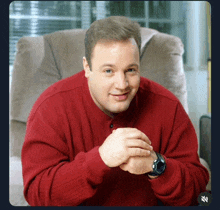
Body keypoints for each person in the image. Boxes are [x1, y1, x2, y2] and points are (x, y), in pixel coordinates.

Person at [21, 16, 209, 206]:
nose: (122, 85)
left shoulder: (168, 106)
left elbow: (198, 193)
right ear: (87, 67)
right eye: (109, 71)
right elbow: (38, 195)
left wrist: (156, 165)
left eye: (131, 70)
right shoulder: (50, 108)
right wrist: (100, 159)